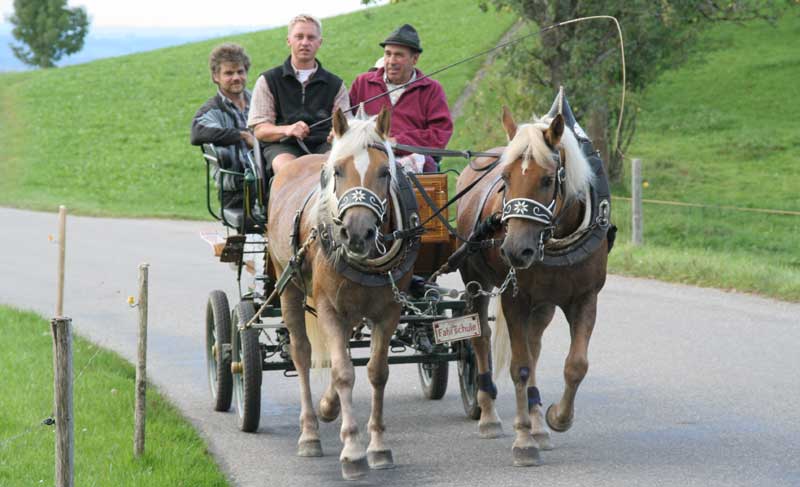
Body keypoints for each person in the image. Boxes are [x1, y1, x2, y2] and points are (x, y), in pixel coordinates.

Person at [248, 14, 350, 174]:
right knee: (290, 172)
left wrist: (336, 134)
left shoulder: (336, 85)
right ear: (289, 40)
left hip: (324, 146)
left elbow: (345, 125)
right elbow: (260, 130)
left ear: (319, 43)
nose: (305, 42)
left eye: (311, 37)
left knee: (330, 170)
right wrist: (287, 129)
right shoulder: (268, 80)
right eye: (299, 36)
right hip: (282, 146)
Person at [349, 24, 453, 173]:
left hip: (412, 163)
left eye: (399, 55)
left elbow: (439, 135)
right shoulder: (363, 83)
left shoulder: (431, 90)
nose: (391, 61)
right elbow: (347, 120)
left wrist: (398, 142)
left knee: (427, 166)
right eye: (388, 54)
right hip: (366, 161)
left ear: (415, 59)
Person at [191, 43, 254, 209]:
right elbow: (197, 132)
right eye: (228, 73)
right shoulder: (212, 110)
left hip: (270, 182)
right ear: (215, 77)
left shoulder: (259, 101)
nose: (236, 77)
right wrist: (242, 135)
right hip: (236, 191)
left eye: (240, 71)